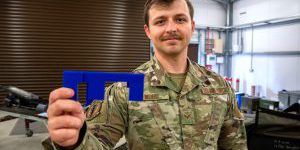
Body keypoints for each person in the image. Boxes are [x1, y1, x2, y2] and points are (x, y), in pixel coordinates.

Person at [43, 0, 247, 149]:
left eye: (180, 19)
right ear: (148, 31)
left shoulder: (220, 87)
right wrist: (75, 140)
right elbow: (97, 144)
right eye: (160, 21)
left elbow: (235, 146)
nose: (171, 28)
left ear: (192, 27)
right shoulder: (124, 90)